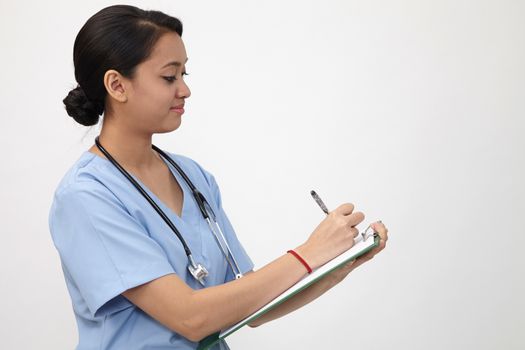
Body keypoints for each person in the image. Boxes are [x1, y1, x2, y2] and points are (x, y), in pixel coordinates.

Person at [49, 4, 389, 350]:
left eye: (185, 75)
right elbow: (191, 318)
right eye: (169, 77)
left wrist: (338, 263)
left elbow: (251, 305)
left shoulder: (192, 177)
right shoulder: (86, 196)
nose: (184, 90)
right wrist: (309, 252)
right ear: (117, 85)